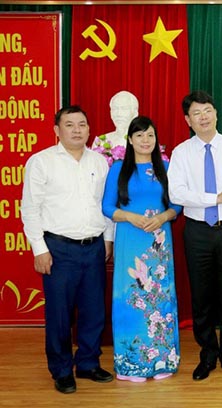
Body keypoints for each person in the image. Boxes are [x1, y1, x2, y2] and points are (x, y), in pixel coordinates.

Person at [21, 106, 115, 394]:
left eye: (82, 124)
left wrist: (108, 240)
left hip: (94, 246)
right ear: (57, 130)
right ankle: (61, 370)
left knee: (93, 310)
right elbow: (30, 209)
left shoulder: (99, 162)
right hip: (58, 249)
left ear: (89, 129)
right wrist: (39, 249)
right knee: (60, 315)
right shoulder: (41, 162)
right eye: (70, 124)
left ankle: (87, 363)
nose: (77, 130)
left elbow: (105, 205)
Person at [167, 91, 222, 381]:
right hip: (197, 231)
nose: (203, 117)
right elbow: (177, 194)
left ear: (216, 114)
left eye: (208, 110)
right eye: (196, 113)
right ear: (188, 120)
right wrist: (216, 197)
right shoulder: (181, 152)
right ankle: (208, 354)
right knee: (201, 297)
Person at [102, 116, 182, 382]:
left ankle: (163, 361)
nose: (145, 140)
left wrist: (163, 217)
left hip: (159, 242)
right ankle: (130, 365)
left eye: (150, 135)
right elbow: (107, 207)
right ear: (130, 140)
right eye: (139, 135)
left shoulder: (166, 167)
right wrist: (130, 217)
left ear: (156, 139)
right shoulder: (118, 169)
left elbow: (177, 204)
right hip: (130, 240)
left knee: (160, 297)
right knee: (130, 298)